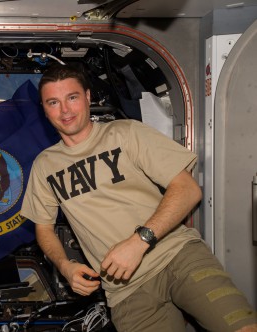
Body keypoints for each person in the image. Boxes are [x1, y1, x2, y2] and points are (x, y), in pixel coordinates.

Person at [20, 63, 257, 331]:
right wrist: (65, 267)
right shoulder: (44, 165)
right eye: (53, 102)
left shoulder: (126, 133)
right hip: (125, 290)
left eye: (72, 97)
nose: (64, 110)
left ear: (87, 97)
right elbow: (44, 228)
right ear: (44, 109)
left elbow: (188, 189)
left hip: (177, 256)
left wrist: (139, 241)